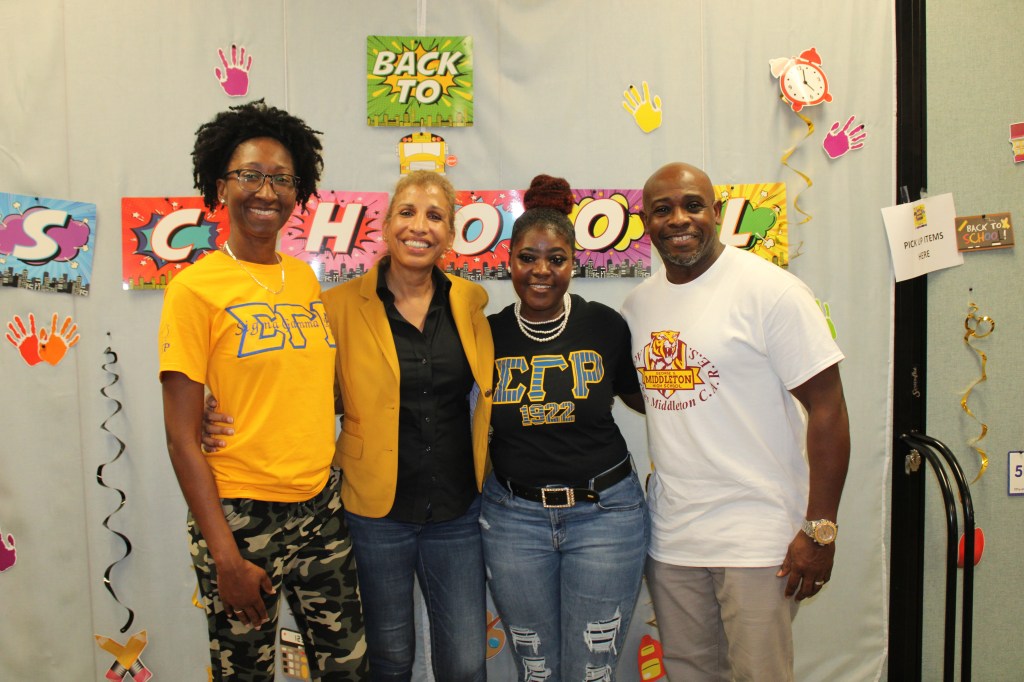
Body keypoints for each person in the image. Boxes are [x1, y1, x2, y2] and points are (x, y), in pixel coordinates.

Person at [158, 100, 366, 680]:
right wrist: (226, 557)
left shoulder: (302, 278)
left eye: (281, 179)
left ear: (298, 192)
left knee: (349, 668)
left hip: (321, 507)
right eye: (250, 175)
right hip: (241, 517)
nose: (266, 191)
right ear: (220, 185)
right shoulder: (193, 290)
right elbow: (180, 438)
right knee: (245, 673)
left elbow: (301, 385)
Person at [620, 162, 851, 681]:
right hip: (674, 536)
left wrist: (820, 529)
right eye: (662, 209)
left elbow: (828, 409)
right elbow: (655, 394)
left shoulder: (771, 291)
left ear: (717, 212)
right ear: (646, 221)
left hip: (759, 538)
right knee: (687, 673)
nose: (679, 219)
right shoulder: (638, 305)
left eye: (692, 205)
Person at [480, 175, 649, 680]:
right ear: (509, 261)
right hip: (514, 520)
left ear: (573, 262)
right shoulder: (486, 335)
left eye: (556, 259)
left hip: (605, 515)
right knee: (536, 670)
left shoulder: (606, 325)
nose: (541, 271)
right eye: (527, 257)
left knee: (592, 670)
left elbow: (651, 399)